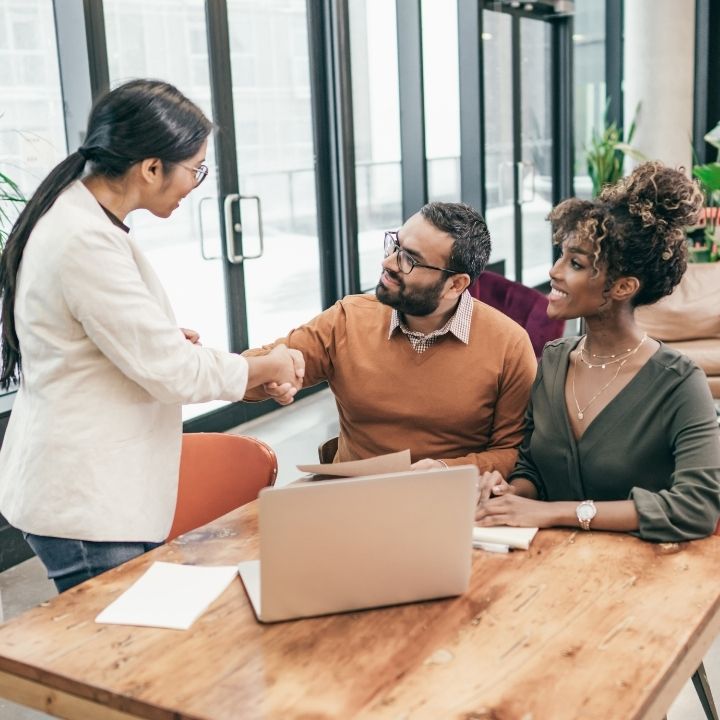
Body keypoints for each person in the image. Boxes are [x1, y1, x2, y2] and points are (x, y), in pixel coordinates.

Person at [0, 79, 304, 592]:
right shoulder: (83, 240)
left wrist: (157, 339)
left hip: (94, 486)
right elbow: (171, 371)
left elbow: (107, 341)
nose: (196, 184)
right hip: (85, 501)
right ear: (151, 168)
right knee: (116, 655)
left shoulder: (84, 217)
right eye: (196, 170)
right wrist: (267, 365)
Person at [476, 161, 720, 542]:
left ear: (623, 288)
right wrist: (510, 495)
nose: (555, 271)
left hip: (639, 578)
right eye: (561, 256)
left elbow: (696, 507)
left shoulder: (679, 383)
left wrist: (556, 513)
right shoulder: (554, 360)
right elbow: (533, 469)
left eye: (575, 263)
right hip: (545, 565)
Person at [245, 202, 537, 475]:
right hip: (353, 498)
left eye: (409, 259)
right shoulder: (349, 319)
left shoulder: (508, 345)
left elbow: (513, 452)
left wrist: (446, 470)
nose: (389, 262)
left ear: (455, 284)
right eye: (394, 245)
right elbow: (253, 372)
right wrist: (249, 370)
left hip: (447, 501)